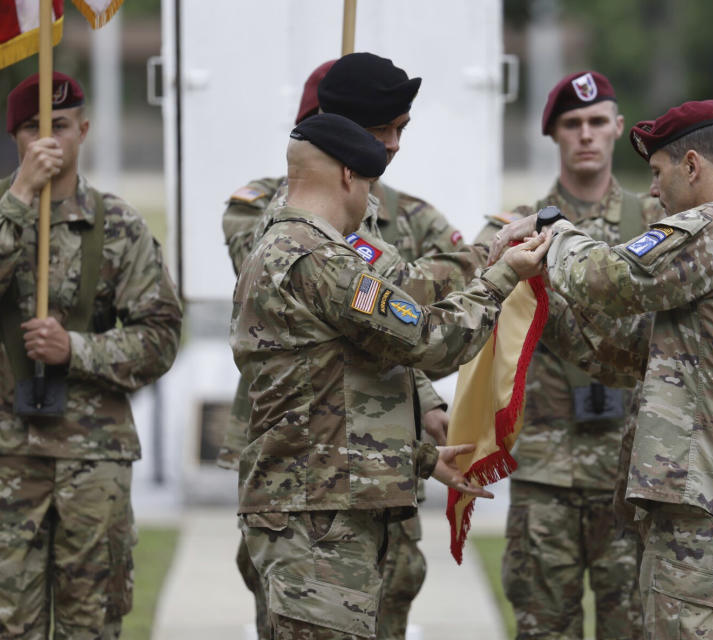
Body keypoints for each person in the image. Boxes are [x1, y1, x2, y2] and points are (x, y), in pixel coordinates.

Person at [230, 113, 549, 639]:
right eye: (371, 183)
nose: (372, 199)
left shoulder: (281, 245)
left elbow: (326, 395)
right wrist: (502, 276)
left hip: (319, 509)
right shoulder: (317, 258)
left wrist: (419, 459)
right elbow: (428, 341)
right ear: (349, 177)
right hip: (318, 522)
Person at [493, 100, 713, 639]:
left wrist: (550, 227)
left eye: (658, 174)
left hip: (709, 505)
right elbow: (632, 350)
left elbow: (610, 277)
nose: (653, 191)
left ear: (693, 166)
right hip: (711, 502)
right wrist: (534, 295)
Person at [219, 54, 468, 639]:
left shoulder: (393, 209)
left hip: (373, 464)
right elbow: (408, 312)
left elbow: (424, 288)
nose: (394, 146)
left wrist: (425, 428)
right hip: (310, 477)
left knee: (388, 600)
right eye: (386, 131)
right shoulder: (287, 221)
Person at [475, 70, 660, 639]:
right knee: (543, 629)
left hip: (633, 474)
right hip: (545, 470)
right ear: (552, 133)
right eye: (572, 123)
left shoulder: (656, 224)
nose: (586, 134)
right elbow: (473, 313)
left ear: (618, 130)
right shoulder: (511, 232)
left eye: (597, 122)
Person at [0, 72, 182, 638]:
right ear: (15, 139)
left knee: (93, 621)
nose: (47, 140)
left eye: (59, 126)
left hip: (93, 455)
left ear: (84, 129)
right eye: (32, 129)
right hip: (6, 455)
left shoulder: (120, 226)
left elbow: (160, 336)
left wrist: (74, 349)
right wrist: (21, 199)